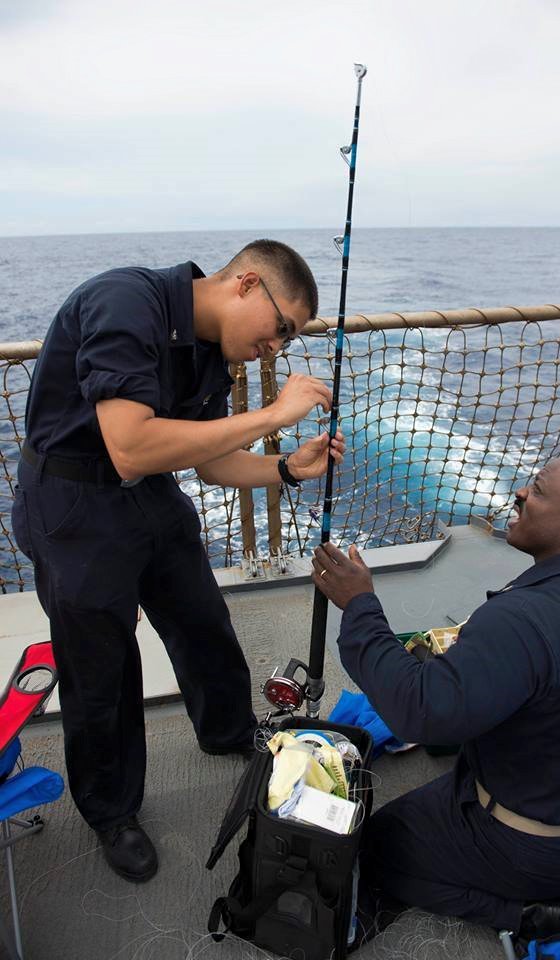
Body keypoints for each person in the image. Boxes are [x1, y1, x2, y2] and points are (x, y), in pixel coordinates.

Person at [12, 239, 345, 883]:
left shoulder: (213, 349)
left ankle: (228, 731)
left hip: (149, 493)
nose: (275, 348)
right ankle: (112, 811)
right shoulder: (123, 302)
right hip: (73, 500)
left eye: (287, 340)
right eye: (281, 329)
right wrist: (274, 414)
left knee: (201, 619)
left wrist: (285, 467)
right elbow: (131, 445)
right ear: (246, 283)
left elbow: (211, 463)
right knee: (102, 664)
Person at [312, 454, 560, 950]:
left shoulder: (521, 619)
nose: (521, 493)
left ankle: (522, 914)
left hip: (537, 849)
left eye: (539, 490)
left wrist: (359, 604)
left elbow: (421, 714)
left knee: (375, 845)